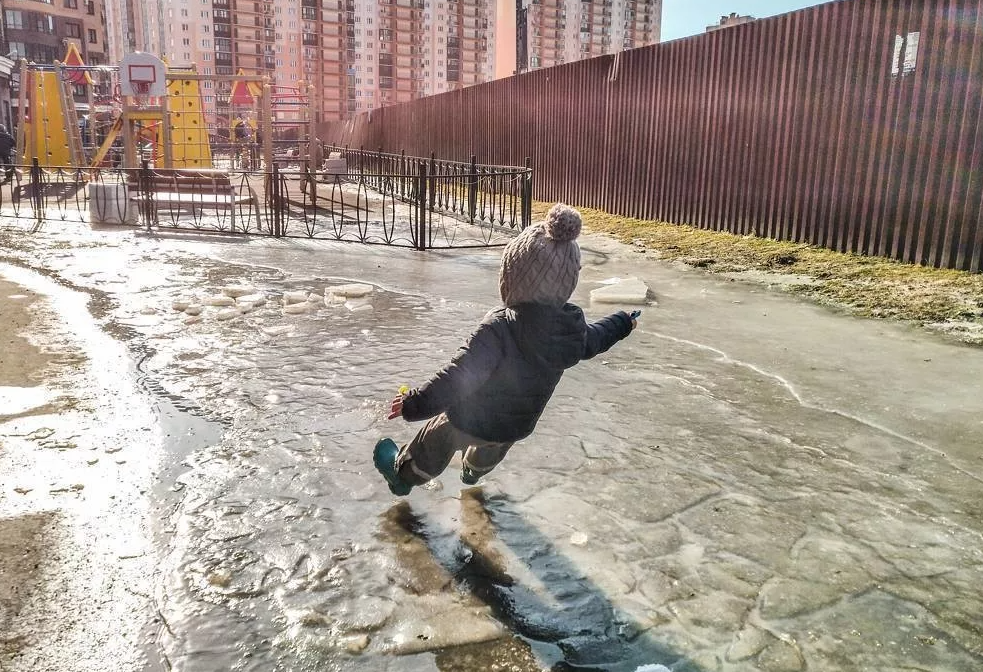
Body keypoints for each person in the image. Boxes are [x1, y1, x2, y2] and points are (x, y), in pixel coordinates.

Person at [374, 203, 638, 496]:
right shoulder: (572, 330)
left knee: (434, 442)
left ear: (512, 277)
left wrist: (415, 403)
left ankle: (402, 475)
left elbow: (460, 375)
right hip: (517, 423)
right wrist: (622, 322)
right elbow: (596, 339)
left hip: (469, 418)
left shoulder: (500, 327)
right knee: (493, 445)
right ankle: (473, 472)